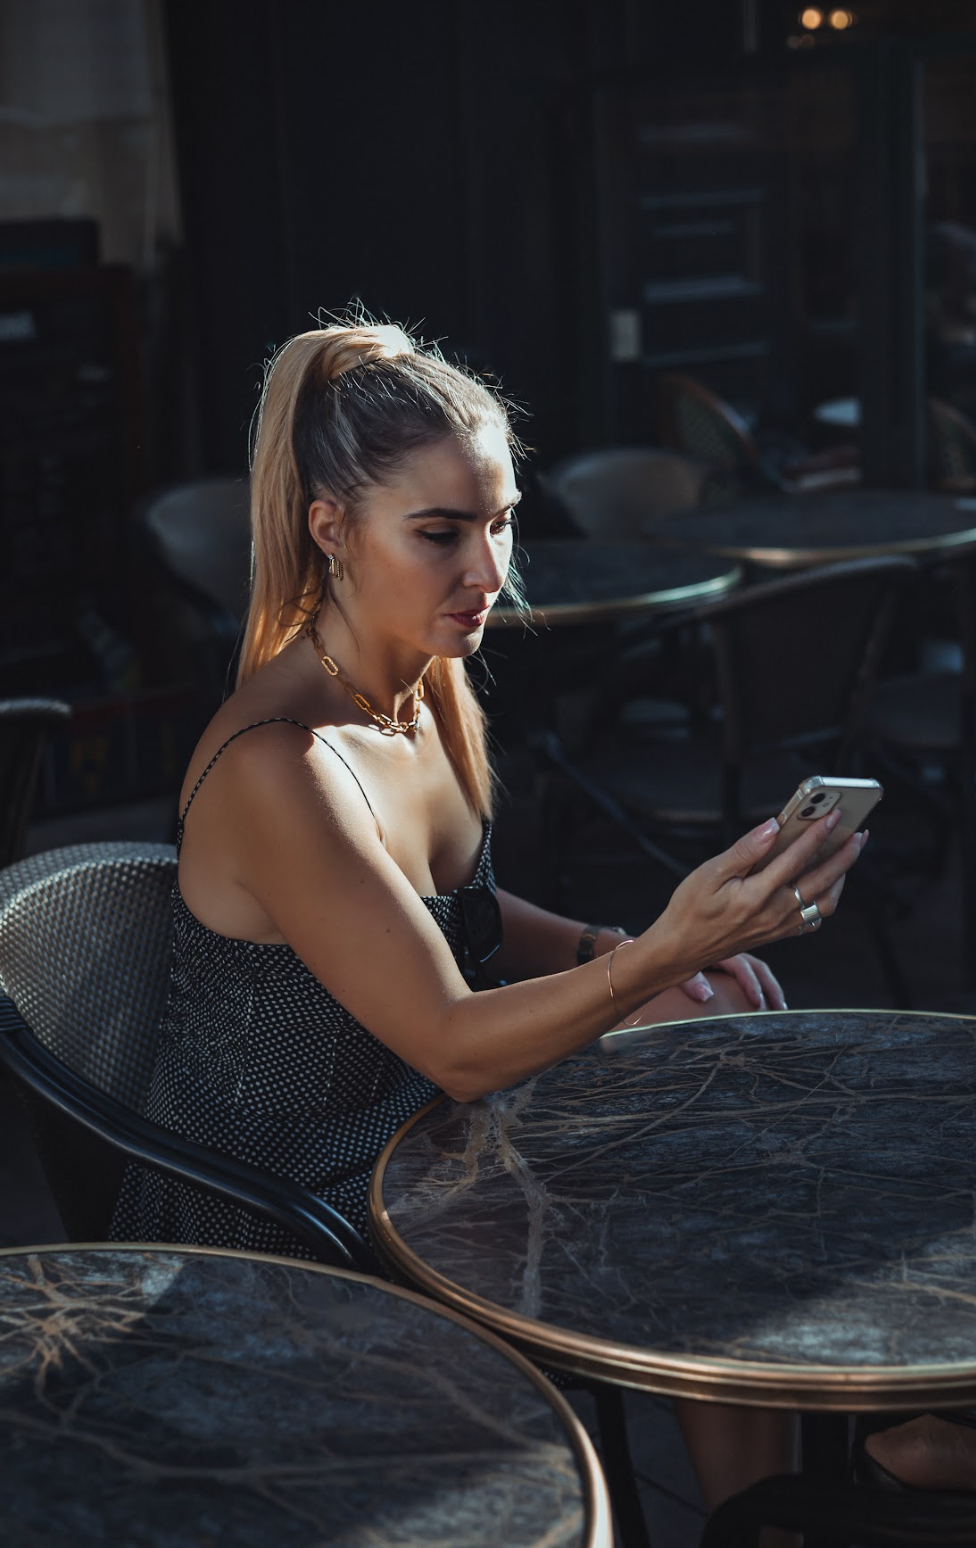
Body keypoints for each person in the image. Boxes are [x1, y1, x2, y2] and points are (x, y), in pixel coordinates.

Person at [111, 318, 864, 1520]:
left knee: (724, 1153)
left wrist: (606, 952)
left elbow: (452, 911)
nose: (489, 570)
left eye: (502, 520)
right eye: (442, 533)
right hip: (289, 1203)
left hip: (421, 1142)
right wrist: (672, 947)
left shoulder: (421, 687)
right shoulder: (279, 760)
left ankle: (776, 1511)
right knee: (693, 1203)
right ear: (330, 528)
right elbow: (455, 1040)